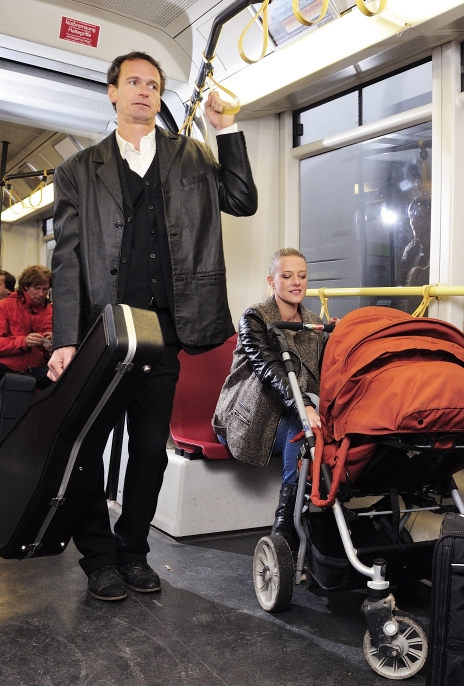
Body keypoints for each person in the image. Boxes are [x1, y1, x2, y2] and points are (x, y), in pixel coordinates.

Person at [48, 51, 257, 602]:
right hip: (104, 334)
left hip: (166, 331)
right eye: (133, 82)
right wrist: (65, 339)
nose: (144, 90)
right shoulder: (77, 171)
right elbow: (66, 261)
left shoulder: (191, 156)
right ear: (112, 92)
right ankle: (97, 556)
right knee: (88, 447)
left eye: (154, 84)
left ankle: (133, 550)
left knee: (147, 448)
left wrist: (226, 130)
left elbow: (242, 200)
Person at [213, 248, 324, 551]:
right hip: (247, 420)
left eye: (301, 276)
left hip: (295, 418)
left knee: (303, 417)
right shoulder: (255, 318)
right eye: (286, 276)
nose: (296, 282)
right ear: (271, 281)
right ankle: (285, 519)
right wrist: (305, 406)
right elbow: (270, 371)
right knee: (297, 416)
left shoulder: (315, 322)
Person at [0, 265, 53, 399]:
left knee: (65, 373)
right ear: (25, 287)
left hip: (38, 366)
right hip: (7, 366)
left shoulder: (51, 310)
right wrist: (23, 342)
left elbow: (55, 351)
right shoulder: (3, 306)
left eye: (45, 289)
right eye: (37, 289)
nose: (41, 294)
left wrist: (53, 346)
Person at [399, 194, 430, 287]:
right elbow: (402, 281)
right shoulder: (410, 248)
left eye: (420, 217)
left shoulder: (439, 246)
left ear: (431, 220)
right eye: (411, 217)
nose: (413, 222)